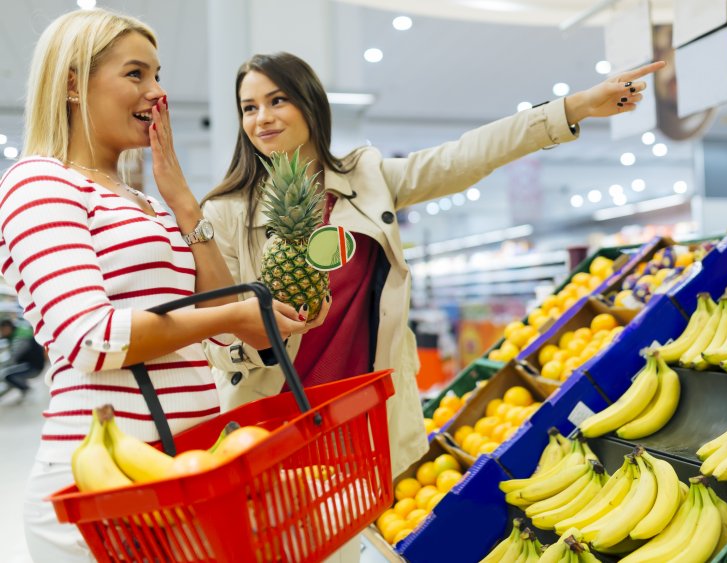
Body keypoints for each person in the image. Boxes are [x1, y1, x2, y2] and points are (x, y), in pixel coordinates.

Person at [203, 48, 662, 506]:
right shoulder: (225, 213)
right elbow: (213, 338)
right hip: (273, 426)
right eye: (249, 107)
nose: (262, 117)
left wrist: (572, 109)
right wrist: (259, 337)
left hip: (358, 425)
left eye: (277, 100)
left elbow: (462, 158)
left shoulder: (368, 181)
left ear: (310, 104)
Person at [0, 10, 312, 561]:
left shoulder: (145, 205)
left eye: (158, 74)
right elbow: (92, 339)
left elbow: (231, 338)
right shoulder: (39, 182)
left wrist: (184, 204)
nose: (157, 92)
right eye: (136, 74)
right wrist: (228, 318)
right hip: (97, 491)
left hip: (183, 471)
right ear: (73, 83)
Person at [0, 318, 46, 401]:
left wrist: (3, 365)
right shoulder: (18, 332)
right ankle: (25, 390)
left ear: (7, 327)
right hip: (31, 364)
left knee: (6, 375)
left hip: (33, 366)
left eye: (1, 330)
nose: (1, 333)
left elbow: (14, 357)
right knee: (6, 373)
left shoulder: (20, 337)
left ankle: (27, 391)